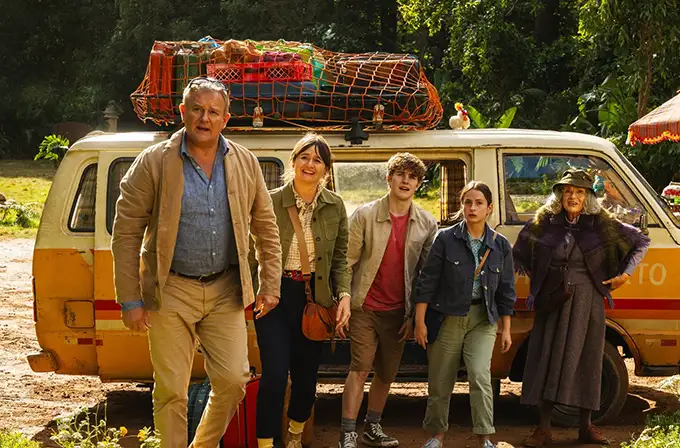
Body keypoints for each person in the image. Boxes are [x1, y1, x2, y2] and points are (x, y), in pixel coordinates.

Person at [111, 76, 283, 448]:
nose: (204, 118)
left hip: (225, 289)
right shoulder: (154, 162)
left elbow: (266, 228)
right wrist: (130, 300)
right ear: (182, 112)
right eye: (197, 109)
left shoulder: (245, 162)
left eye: (213, 112)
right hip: (169, 289)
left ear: (226, 118)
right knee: (171, 389)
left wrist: (270, 284)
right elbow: (125, 233)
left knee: (234, 381)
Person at [513, 169, 650, 447]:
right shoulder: (545, 222)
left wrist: (625, 275)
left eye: (579, 191)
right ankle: (543, 429)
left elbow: (641, 241)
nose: (572, 196)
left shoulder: (601, 224)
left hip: (588, 301)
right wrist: (541, 278)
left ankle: (586, 427)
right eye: (567, 191)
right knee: (547, 359)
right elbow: (520, 253)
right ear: (560, 195)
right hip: (552, 301)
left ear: (588, 196)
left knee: (587, 360)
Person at [254, 132, 352, 448]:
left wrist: (344, 296)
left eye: (318, 160)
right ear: (293, 162)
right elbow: (246, 249)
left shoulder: (335, 206)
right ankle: (266, 444)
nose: (310, 164)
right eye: (304, 157)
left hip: (314, 300)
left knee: (307, 380)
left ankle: (295, 435)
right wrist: (249, 291)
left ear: (326, 169)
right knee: (273, 378)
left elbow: (340, 259)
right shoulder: (268, 200)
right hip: (273, 297)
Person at [339, 153, 438, 448]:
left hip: (399, 312)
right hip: (364, 307)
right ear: (389, 178)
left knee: (386, 372)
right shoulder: (364, 215)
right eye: (400, 174)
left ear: (418, 184)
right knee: (360, 367)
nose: (405, 180)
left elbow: (425, 275)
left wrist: (414, 315)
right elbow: (346, 262)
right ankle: (347, 433)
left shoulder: (426, 222)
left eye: (412, 176)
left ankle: (372, 427)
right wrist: (343, 298)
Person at [413, 181, 516, 448]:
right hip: (446, 317)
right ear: (461, 206)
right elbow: (427, 281)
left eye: (479, 203)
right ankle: (436, 436)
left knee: (480, 376)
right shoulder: (445, 238)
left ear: (489, 208)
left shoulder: (500, 244)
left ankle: (485, 437)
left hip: (482, 319)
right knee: (440, 379)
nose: (472, 208)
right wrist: (420, 322)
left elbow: (506, 290)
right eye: (467, 202)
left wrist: (505, 328)